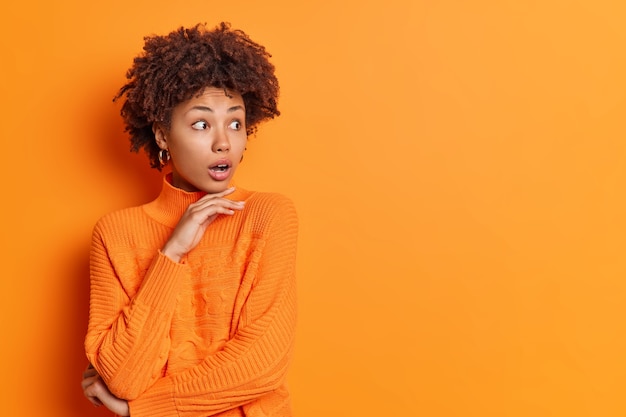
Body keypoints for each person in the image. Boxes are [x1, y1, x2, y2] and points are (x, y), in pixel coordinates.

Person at [80, 22, 298, 417]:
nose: (223, 141)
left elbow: (261, 365)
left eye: (235, 122)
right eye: (201, 124)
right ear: (162, 135)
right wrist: (172, 251)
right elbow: (123, 377)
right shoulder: (115, 233)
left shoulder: (268, 216)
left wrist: (140, 410)